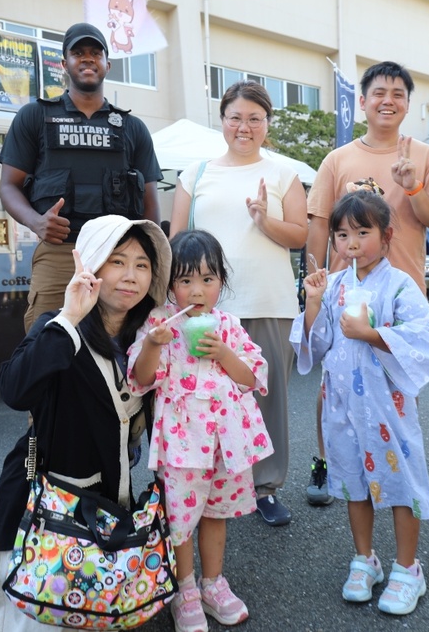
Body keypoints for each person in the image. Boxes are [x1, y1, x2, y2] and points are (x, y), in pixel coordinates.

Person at [0, 215, 171, 631]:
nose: (131, 275)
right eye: (117, 261)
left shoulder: (147, 339)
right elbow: (14, 390)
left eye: (142, 265)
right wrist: (68, 318)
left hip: (105, 510)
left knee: (96, 611)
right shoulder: (60, 326)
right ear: (91, 265)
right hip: (42, 509)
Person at [303, 61, 429, 506]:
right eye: (379, 92)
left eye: (398, 94)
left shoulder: (425, 155)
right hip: (344, 291)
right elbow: (319, 223)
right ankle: (328, 459)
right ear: (362, 101)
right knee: (335, 381)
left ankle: (399, 461)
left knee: (400, 381)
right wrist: (313, 278)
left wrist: (412, 187)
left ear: (407, 103)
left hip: (401, 290)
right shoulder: (338, 159)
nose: (388, 100)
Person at [291, 190, 429, 616]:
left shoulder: (398, 284)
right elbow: (316, 343)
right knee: (353, 484)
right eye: (341, 234)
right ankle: (365, 559)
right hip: (341, 406)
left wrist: (372, 334)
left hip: (386, 409)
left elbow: (426, 335)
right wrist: (315, 304)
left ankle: (408, 567)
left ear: (387, 235)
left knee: (400, 485)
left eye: (362, 232)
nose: (351, 243)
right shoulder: (336, 284)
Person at [168, 80, 306, 526]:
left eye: (254, 118)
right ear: (222, 121)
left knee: (265, 397)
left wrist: (266, 220)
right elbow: (175, 242)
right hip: (206, 307)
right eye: (235, 117)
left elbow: (302, 237)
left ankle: (264, 486)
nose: (244, 127)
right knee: (203, 396)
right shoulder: (197, 173)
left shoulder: (284, 173)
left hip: (269, 300)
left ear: (267, 123)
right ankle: (211, 481)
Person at [128, 229, 271, 632]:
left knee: (215, 514)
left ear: (221, 282)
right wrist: (155, 344)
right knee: (181, 520)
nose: (196, 290)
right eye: (186, 280)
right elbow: (139, 378)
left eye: (207, 279)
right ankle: (185, 590)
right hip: (182, 445)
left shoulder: (228, 324)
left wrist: (224, 352)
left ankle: (213, 583)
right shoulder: (160, 322)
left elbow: (253, 377)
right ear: (170, 284)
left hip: (226, 443)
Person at [0, 22, 162, 332]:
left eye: (95, 53)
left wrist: (141, 260)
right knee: (46, 340)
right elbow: (9, 186)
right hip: (61, 252)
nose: (87, 59)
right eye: (78, 53)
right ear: (64, 64)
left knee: (118, 345)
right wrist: (36, 222)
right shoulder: (35, 116)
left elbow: (150, 207)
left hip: (117, 256)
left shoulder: (133, 128)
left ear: (107, 64)